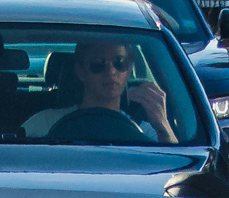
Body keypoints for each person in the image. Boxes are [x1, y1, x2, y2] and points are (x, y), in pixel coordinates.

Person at [23, 38, 174, 143]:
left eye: (119, 63)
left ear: (128, 71)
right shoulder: (43, 123)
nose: (111, 71)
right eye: (98, 64)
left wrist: (163, 125)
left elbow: (178, 171)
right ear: (80, 72)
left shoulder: (145, 130)